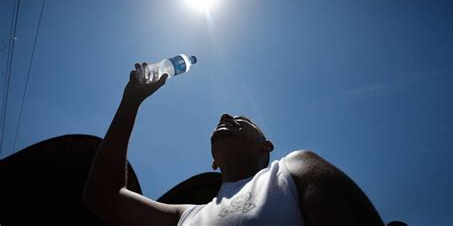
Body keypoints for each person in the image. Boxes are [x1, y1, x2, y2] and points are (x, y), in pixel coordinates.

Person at [82, 62, 385, 226]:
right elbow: (103, 197)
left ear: (266, 146)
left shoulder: (293, 169)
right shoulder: (185, 216)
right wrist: (130, 103)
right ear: (213, 162)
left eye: (243, 119)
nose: (225, 115)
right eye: (225, 117)